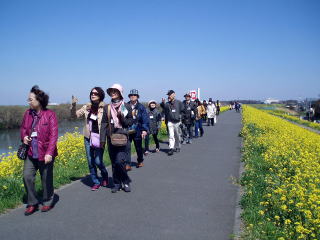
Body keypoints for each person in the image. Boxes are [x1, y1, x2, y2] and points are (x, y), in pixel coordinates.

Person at [21, 85, 58, 216]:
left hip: (45, 153)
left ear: (39, 100)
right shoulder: (27, 114)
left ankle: (47, 200)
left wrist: (49, 153)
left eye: (30, 99)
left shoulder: (50, 115)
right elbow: (23, 129)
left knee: (46, 178)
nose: (29, 101)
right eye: (28, 99)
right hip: (31, 153)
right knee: (27, 176)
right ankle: (32, 202)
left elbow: (54, 135)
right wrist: (24, 137)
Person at [71, 87, 109, 191]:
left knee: (98, 161)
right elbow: (75, 116)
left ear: (100, 95)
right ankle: (96, 181)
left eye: (96, 93)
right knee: (90, 161)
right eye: (92, 93)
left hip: (100, 138)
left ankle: (104, 175)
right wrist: (73, 105)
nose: (93, 95)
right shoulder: (86, 107)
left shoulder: (105, 107)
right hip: (88, 137)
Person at [103, 84, 134, 193]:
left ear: (120, 92)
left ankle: (125, 181)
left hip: (123, 137)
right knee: (114, 162)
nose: (113, 92)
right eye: (111, 91)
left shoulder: (126, 106)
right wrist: (103, 139)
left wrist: (121, 118)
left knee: (120, 161)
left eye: (115, 91)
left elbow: (130, 122)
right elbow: (104, 123)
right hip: (111, 138)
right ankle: (116, 183)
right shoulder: (106, 107)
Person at [126, 89, 149, 170]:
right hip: (128, 129)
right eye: (131, 95)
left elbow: (145, 119)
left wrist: (144, 130)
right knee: (127, 147)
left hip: (138, 129)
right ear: (129, 97)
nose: (132, 96)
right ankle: (127, 164)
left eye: (134, 95)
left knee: (138, 147)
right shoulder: (125, 105)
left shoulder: (141, 107)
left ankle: (140, 160)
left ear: (137, 97)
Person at [161, 90, 185, 156]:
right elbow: (163, 108)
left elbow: (183, 111)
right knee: (171, 136)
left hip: (177, 122)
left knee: (177, 136)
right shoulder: (167, 104)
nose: (169, 96)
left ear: (174, 94)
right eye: (168, 95)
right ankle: (171, 148)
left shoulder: (179, 102)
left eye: (170, 94)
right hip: (170, 122)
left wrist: (180, 117)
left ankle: (177, 146)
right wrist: (162, 103)